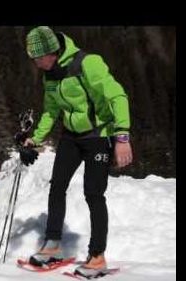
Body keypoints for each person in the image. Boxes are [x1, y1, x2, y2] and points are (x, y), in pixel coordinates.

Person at [22, 26, 133, 277]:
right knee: (57, 185)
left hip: (98, 135)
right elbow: (51, 111)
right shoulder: (50, 75)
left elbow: (118, 95)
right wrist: (35, 139)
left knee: (93, 194)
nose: (37, 64)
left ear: (53, 52)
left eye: (39, 59)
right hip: (71, 137)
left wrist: (122, 136)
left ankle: (97, 257)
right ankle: (52, 245)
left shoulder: (88, 63)